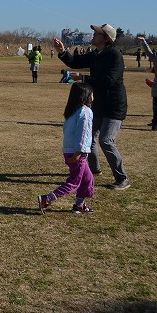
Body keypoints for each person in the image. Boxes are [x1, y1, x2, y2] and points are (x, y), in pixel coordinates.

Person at [54, 24, 130, 190]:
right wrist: (62, 51)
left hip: (114, 105)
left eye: (97, 33)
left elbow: (108, 81)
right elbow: (74, 62)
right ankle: (94, 170)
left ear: (106, 38)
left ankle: (122, 178)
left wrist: (83, 78)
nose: (93, 35)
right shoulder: (96, 54)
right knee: (90, 138)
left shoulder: (114, 56)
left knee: (106, 140)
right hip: (98, 104)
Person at [38, 82, 96, 214]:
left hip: (70, 151)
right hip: (77, 153)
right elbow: (84, 133)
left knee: (87, 179)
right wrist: (79, 152)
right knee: (74, 181)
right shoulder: (85, 112)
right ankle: (46, 199)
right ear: (86, 96)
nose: (93, 96)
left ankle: (79, 205)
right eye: (91, 93)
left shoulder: (72, 111)